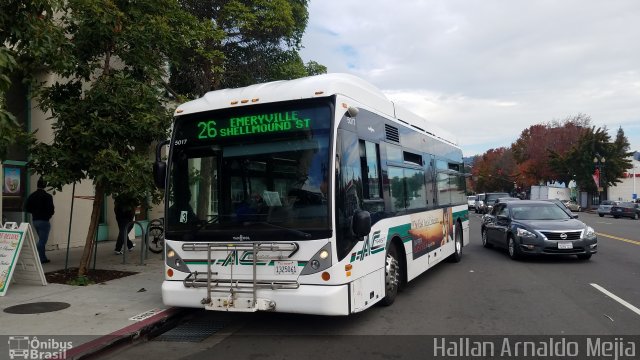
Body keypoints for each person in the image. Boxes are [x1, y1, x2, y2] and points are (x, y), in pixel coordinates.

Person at [25, 177, 55, 263]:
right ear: (45, 185)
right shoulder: (48, 196)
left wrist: (34, 212)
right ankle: (39, 257)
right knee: (42, 241)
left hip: (35, 220)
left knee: (41, 239)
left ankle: (43, 257)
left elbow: (27, 208)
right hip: (44, 221)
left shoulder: (32, 196)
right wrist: (48, 215)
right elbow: (51, 209)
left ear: (37, 185)